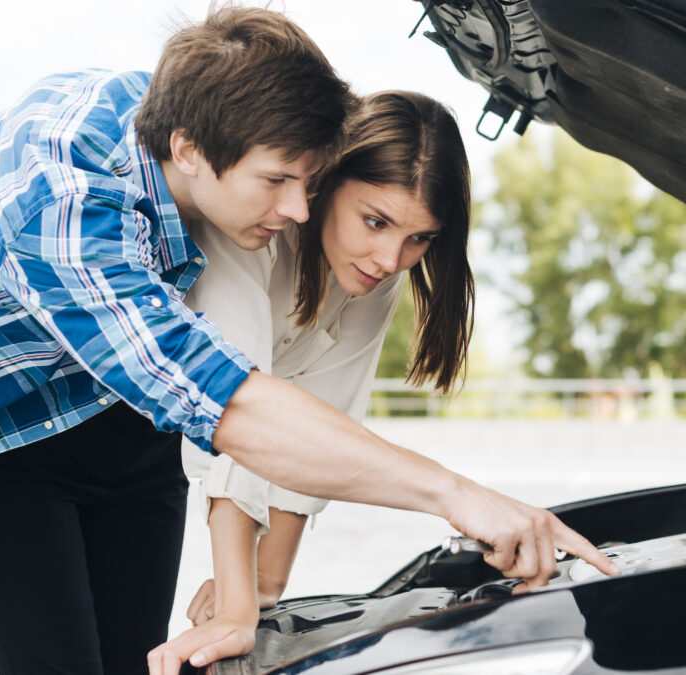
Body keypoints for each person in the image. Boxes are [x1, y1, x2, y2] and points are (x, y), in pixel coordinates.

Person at [0, 7, 619, 675]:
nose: (297, 207)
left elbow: (296, 413)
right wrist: (458, 495)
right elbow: (227, 403)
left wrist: (261, 592)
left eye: (307, 180)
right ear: (190, 147)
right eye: (276, 181)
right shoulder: (67, 214)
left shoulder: (156, 107)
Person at [147, 89, 477, 672]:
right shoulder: (250, 228)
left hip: (166, 460)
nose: (389, 258)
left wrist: (264, 583)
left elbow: (326, 416)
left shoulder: (380, 273)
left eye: (419, 238)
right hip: (130, 427)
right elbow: (238, 410)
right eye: (374, 221)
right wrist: (236, 607)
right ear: (325, 180)